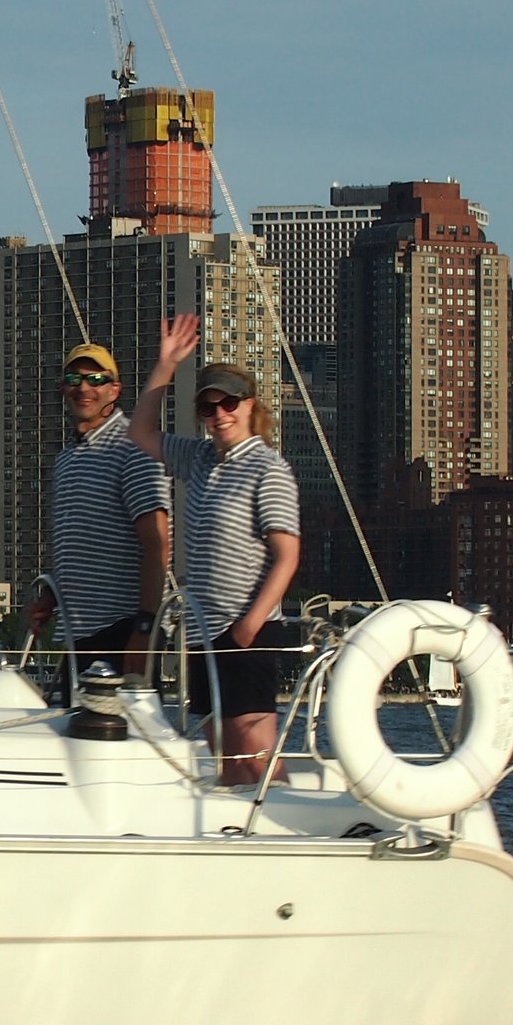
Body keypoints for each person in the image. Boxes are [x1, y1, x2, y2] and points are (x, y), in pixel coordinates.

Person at [129, 316, 302, 785]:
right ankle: (237, 841)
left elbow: (287, 555)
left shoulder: (268, 468)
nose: (219, 414)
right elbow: (140, 433)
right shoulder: (201, 459)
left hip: (245, 629)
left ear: (249, 406)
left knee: (254, 749)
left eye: (228, 402)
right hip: (203, 630)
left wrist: (249, 625)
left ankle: (285, 834)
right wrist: (166, 365)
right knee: (222, 753)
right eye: (208, 408)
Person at [26, 342, 171, 684]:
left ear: (114, 389)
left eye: (96, 379)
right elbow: (82, 546)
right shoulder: (66, 460)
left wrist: (145, 629)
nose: (84, 388)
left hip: (124, 631)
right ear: (63, 387)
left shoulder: (132, 449)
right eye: (75, 378)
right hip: (80, 636)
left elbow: (157, 543)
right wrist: (52, 596)